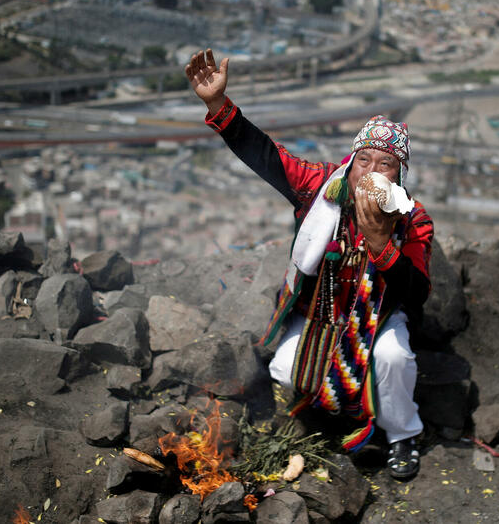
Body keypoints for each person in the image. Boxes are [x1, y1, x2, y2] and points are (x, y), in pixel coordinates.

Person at [185, 49, 434, 481]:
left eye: (386, 164)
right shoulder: (321, 188)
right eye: (364, 160)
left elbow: (415, 293)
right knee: (284, 367)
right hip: (320, 314)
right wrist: (218, 106)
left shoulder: (412, 220)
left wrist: (380, 243)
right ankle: (336, 408)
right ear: (350, 163)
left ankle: (402, 434)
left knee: (394, 358)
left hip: (378, 320)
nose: (372, 172)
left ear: (399, 175)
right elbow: (267, 157)